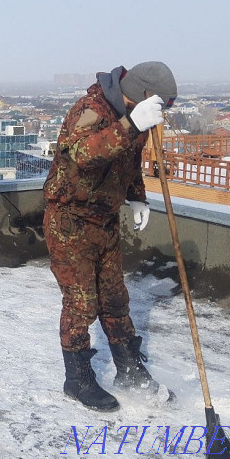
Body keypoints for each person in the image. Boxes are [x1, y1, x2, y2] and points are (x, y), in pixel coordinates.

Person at [43, 61, 178, 411]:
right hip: (70, 218)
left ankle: (129, 369)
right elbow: (83, 155)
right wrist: (130, 125)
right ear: (144, 95)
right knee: (81, 302)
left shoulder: (137, 116)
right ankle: (78, 379)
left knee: (116, 299)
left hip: (104, 220)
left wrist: (136, 197)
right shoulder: (91, 109)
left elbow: (128, 162)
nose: (163, 112)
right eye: (163, 104)